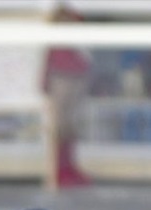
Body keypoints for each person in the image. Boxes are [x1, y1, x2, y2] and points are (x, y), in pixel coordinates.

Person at [42, 4, 93, 187]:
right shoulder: (57, 23)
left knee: (72, 125)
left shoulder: (76, 20)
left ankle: (69, 166)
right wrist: (44, 82)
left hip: (75, 75)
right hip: (61, 77)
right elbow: (48, 57)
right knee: (59, 127)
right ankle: (60, 169)